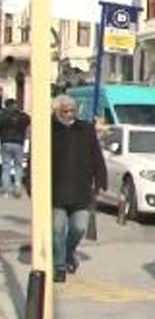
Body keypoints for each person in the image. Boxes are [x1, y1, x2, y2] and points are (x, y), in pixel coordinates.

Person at [50, 95, 107, 282]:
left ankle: (68, 252)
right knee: (57, 229)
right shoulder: (49, 130)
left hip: (81, 190)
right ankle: (59, 265)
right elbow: (38, 157)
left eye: (72, 110)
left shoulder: (85, 129)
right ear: (57, 111)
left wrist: (100, 178)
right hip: (56, 191)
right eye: (65, 110)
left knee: (79, 228)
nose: (69, 114)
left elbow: (96, 155)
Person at [0, 98, 29, 197]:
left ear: (6, 105)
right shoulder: (22, 116)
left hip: (6, 142)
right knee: (18, 166)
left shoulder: (3, 115)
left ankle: (6, 190)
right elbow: (28, 121)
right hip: (18, 143)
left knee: (6, 166)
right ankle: (17, 186)